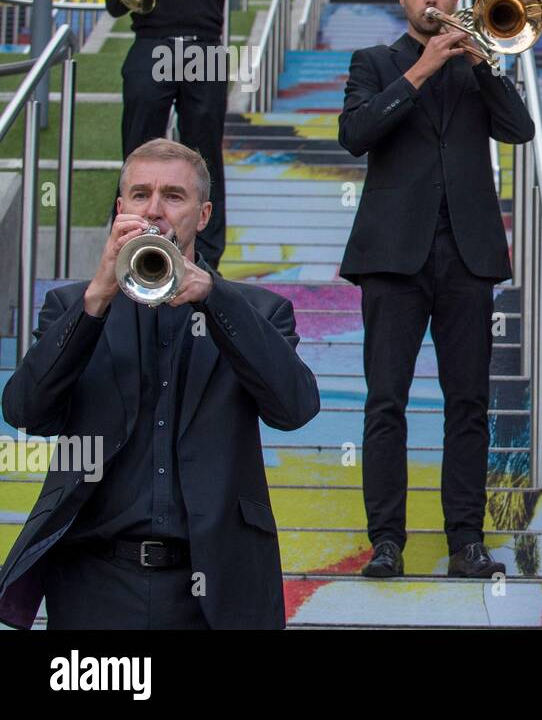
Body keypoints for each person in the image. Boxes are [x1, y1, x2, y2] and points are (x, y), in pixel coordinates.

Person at [0, 139, 320, 629]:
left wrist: (214, 300)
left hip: (215, 584)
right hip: (94, 579)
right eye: (140, 194)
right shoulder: (73, 306)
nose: (154, 210)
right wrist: (96, 301)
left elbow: (294, 408)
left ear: (204, 213)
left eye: (173, 196)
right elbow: (25, 412)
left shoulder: (256, 311)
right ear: (120, 207)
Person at [338, 0, 536, 579]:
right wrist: (421, 71)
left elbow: (520, 129)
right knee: (385, 402)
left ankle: (465, 541)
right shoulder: (374, 63)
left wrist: (483, 65)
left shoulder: (480, 63)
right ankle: (387, 541)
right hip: (392, 255)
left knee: (469, 404)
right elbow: (355, 134)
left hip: (468, 255)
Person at [105, 0, 252, 270]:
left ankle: (206, 257)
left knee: (205, 154)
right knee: (138, 147)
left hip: (204, 46)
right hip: (152, 43)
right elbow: (115, 3)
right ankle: (126, 243)